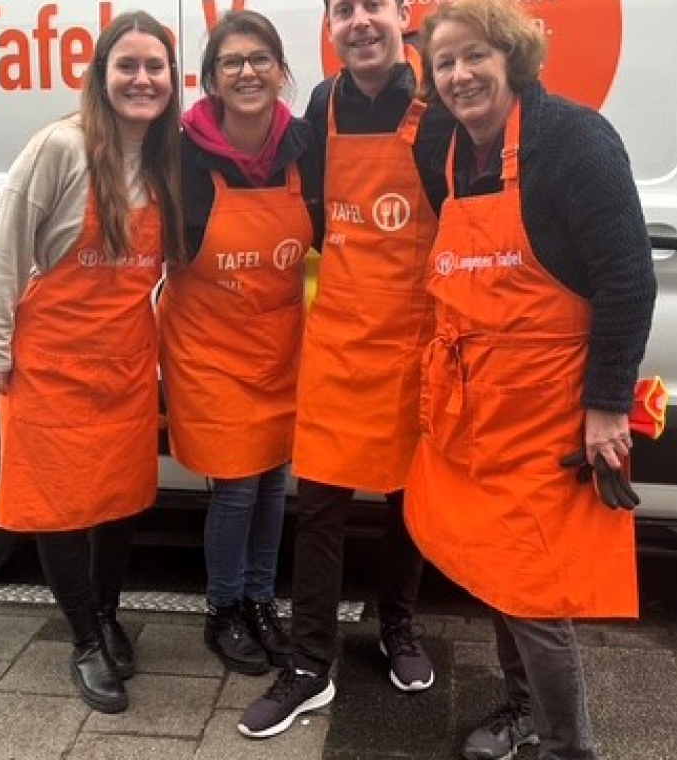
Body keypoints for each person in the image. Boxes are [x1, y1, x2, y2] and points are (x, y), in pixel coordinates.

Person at [405, 1, 657, 758]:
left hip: (550, 416)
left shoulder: (574, 141)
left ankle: (567, 747)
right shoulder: (445, 147)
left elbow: (628, 280)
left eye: (474, 55)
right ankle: (517, 712)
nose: (459, 75)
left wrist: (608, 405)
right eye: (444, 62)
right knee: (493, 570)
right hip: (472, 413)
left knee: (536, 595)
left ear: (514, 57)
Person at [238, 0, 454, 739]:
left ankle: (398, 629)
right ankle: (308, 667)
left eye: (373, 6)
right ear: (330, 27)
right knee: (321, 507)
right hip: (337, 336)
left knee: (408, 502)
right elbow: (293, 195)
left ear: (404, 15)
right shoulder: (325, 103)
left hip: (414, 337)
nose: (359, 22)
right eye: (342, 10)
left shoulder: (442, 102)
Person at [0, 11, 184, 715]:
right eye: (127, 65)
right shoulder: (60, 147)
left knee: (118, 503)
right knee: (61, 508)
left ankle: (109, 612)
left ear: (170, 81)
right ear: (101, 76)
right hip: (51, 366)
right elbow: (7, 249)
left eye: (154, 67)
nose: (142, 79)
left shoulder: (163, 158)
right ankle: (86, 639)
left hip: (123, 365)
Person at [160, 10, 323, 675]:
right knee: (233, 488)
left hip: (282, 344)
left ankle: (261, 602)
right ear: (211, 80)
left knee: (272, 481)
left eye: (260, 59)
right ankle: (223, 609)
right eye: (232, 62)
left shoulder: (306, 145)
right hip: (207, 349)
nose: (248, 71)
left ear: (281, 72)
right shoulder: (180, 151)